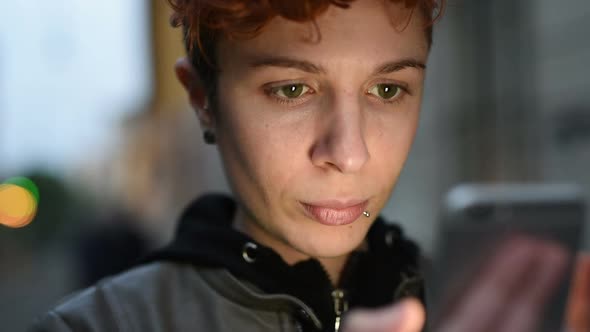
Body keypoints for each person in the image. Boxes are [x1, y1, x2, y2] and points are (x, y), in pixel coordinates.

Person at [30, 0, 590, 331]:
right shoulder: (100, 325)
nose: (349, 153)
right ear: (203, 98)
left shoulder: (473, 307)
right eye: (292, 88)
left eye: (389, 89)